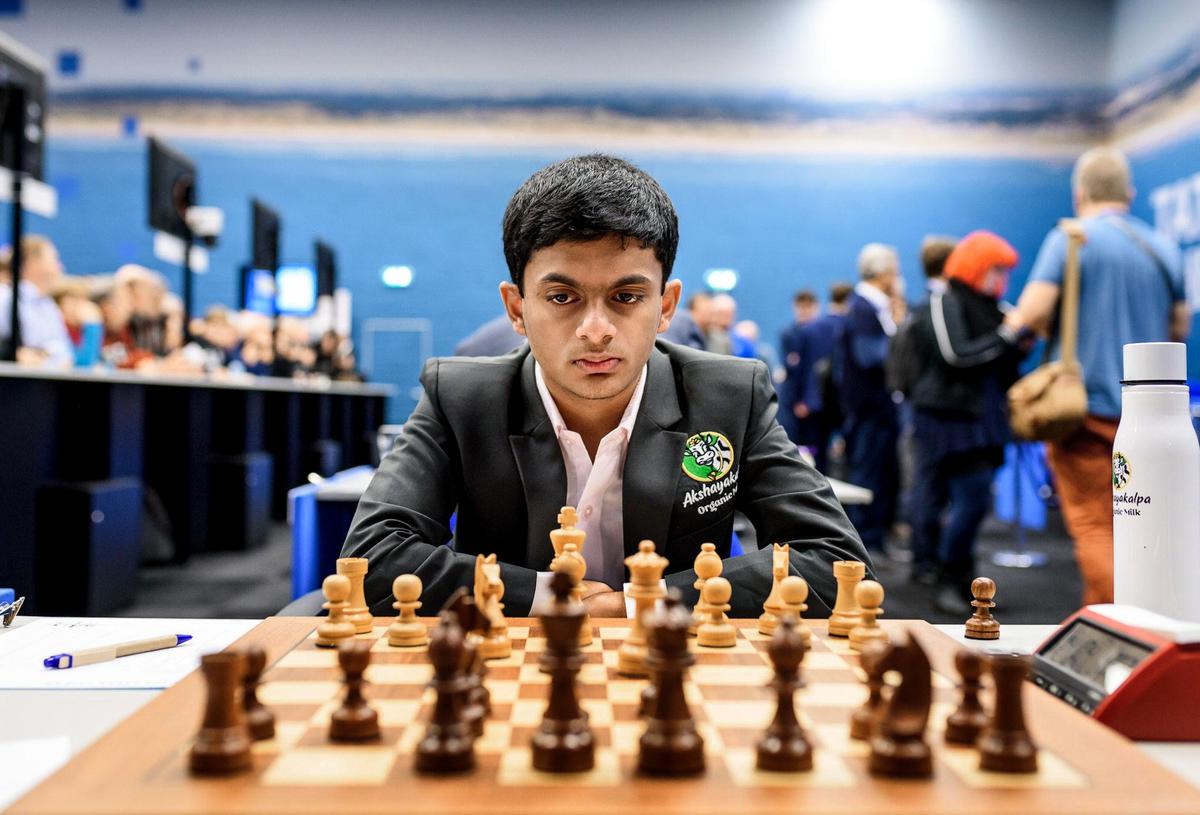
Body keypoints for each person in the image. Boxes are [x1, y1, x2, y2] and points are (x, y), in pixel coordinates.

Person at [343, 154, 870, 619]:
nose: (596, 329)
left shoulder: (730, 396)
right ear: (516, 308)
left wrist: (643, 600)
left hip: (672, 677)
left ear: (665, 306)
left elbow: (838, 562)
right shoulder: (460, 398)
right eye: (561, 297)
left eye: (626, 296)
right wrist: (546, 595)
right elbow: (371, 560)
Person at [1007, 147, 1188, 605]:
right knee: (1148, 526)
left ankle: (1115, 629)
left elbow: (1030, 313)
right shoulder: (1164, 248)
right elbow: (1178, 328)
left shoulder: (1072, 239)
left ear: (1079, 193)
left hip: (1084, 412)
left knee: (1095, 525)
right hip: (1150, 414)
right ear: (1129, 193)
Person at [908, 231, 1027, 612]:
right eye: (996, 270)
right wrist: (1008, 334)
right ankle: (947, 576)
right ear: (977, 267)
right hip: (950, 419)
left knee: (971, 502)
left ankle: (961, 578)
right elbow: (955, 355)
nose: (1001, 279)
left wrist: (1014, 339)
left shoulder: (989, 306)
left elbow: (998, 363)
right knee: (966, 501)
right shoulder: (945, 300)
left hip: (980, 418)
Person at [838, 244, 901, 554]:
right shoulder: (864, 307)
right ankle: (864, 545)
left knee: (878, 474)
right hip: (868, 410)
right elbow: (870, 356)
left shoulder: (871, 306)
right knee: (866, 478)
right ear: (883, 273)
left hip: (876, 410)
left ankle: (873, 540)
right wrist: (900, 337)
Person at [0, 235, 73, 367]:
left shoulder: (49, 306)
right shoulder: (5, 298)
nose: (60, 266)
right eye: (53, 259)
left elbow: (65, 353)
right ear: (32, 263)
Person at [779, 290, 820, 447]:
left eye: (808, 307)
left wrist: (806, 400)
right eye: (801, 307)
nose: (804, 311)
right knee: (791, 443)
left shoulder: (819, 333)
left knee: (814, 446)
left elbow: (811, 369)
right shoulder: (788, 333)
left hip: (814, 399)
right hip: (792, 397)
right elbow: (791, 367)